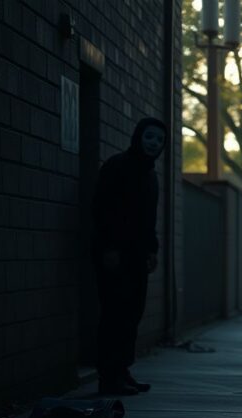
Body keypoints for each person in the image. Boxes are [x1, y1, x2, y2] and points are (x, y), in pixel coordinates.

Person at [92, 118, 166, 395]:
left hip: (137, 256)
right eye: (149, 137)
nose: (154, 143)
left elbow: (149, 220)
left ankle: (122, 371)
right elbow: (102, 209)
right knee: (114, 314)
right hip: (114, 255)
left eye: (159, 140)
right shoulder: (117, 166)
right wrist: (109, 248)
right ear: (138, 137)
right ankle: (108, 377)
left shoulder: (151, 176)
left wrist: (152, 250)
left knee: (132, 315)